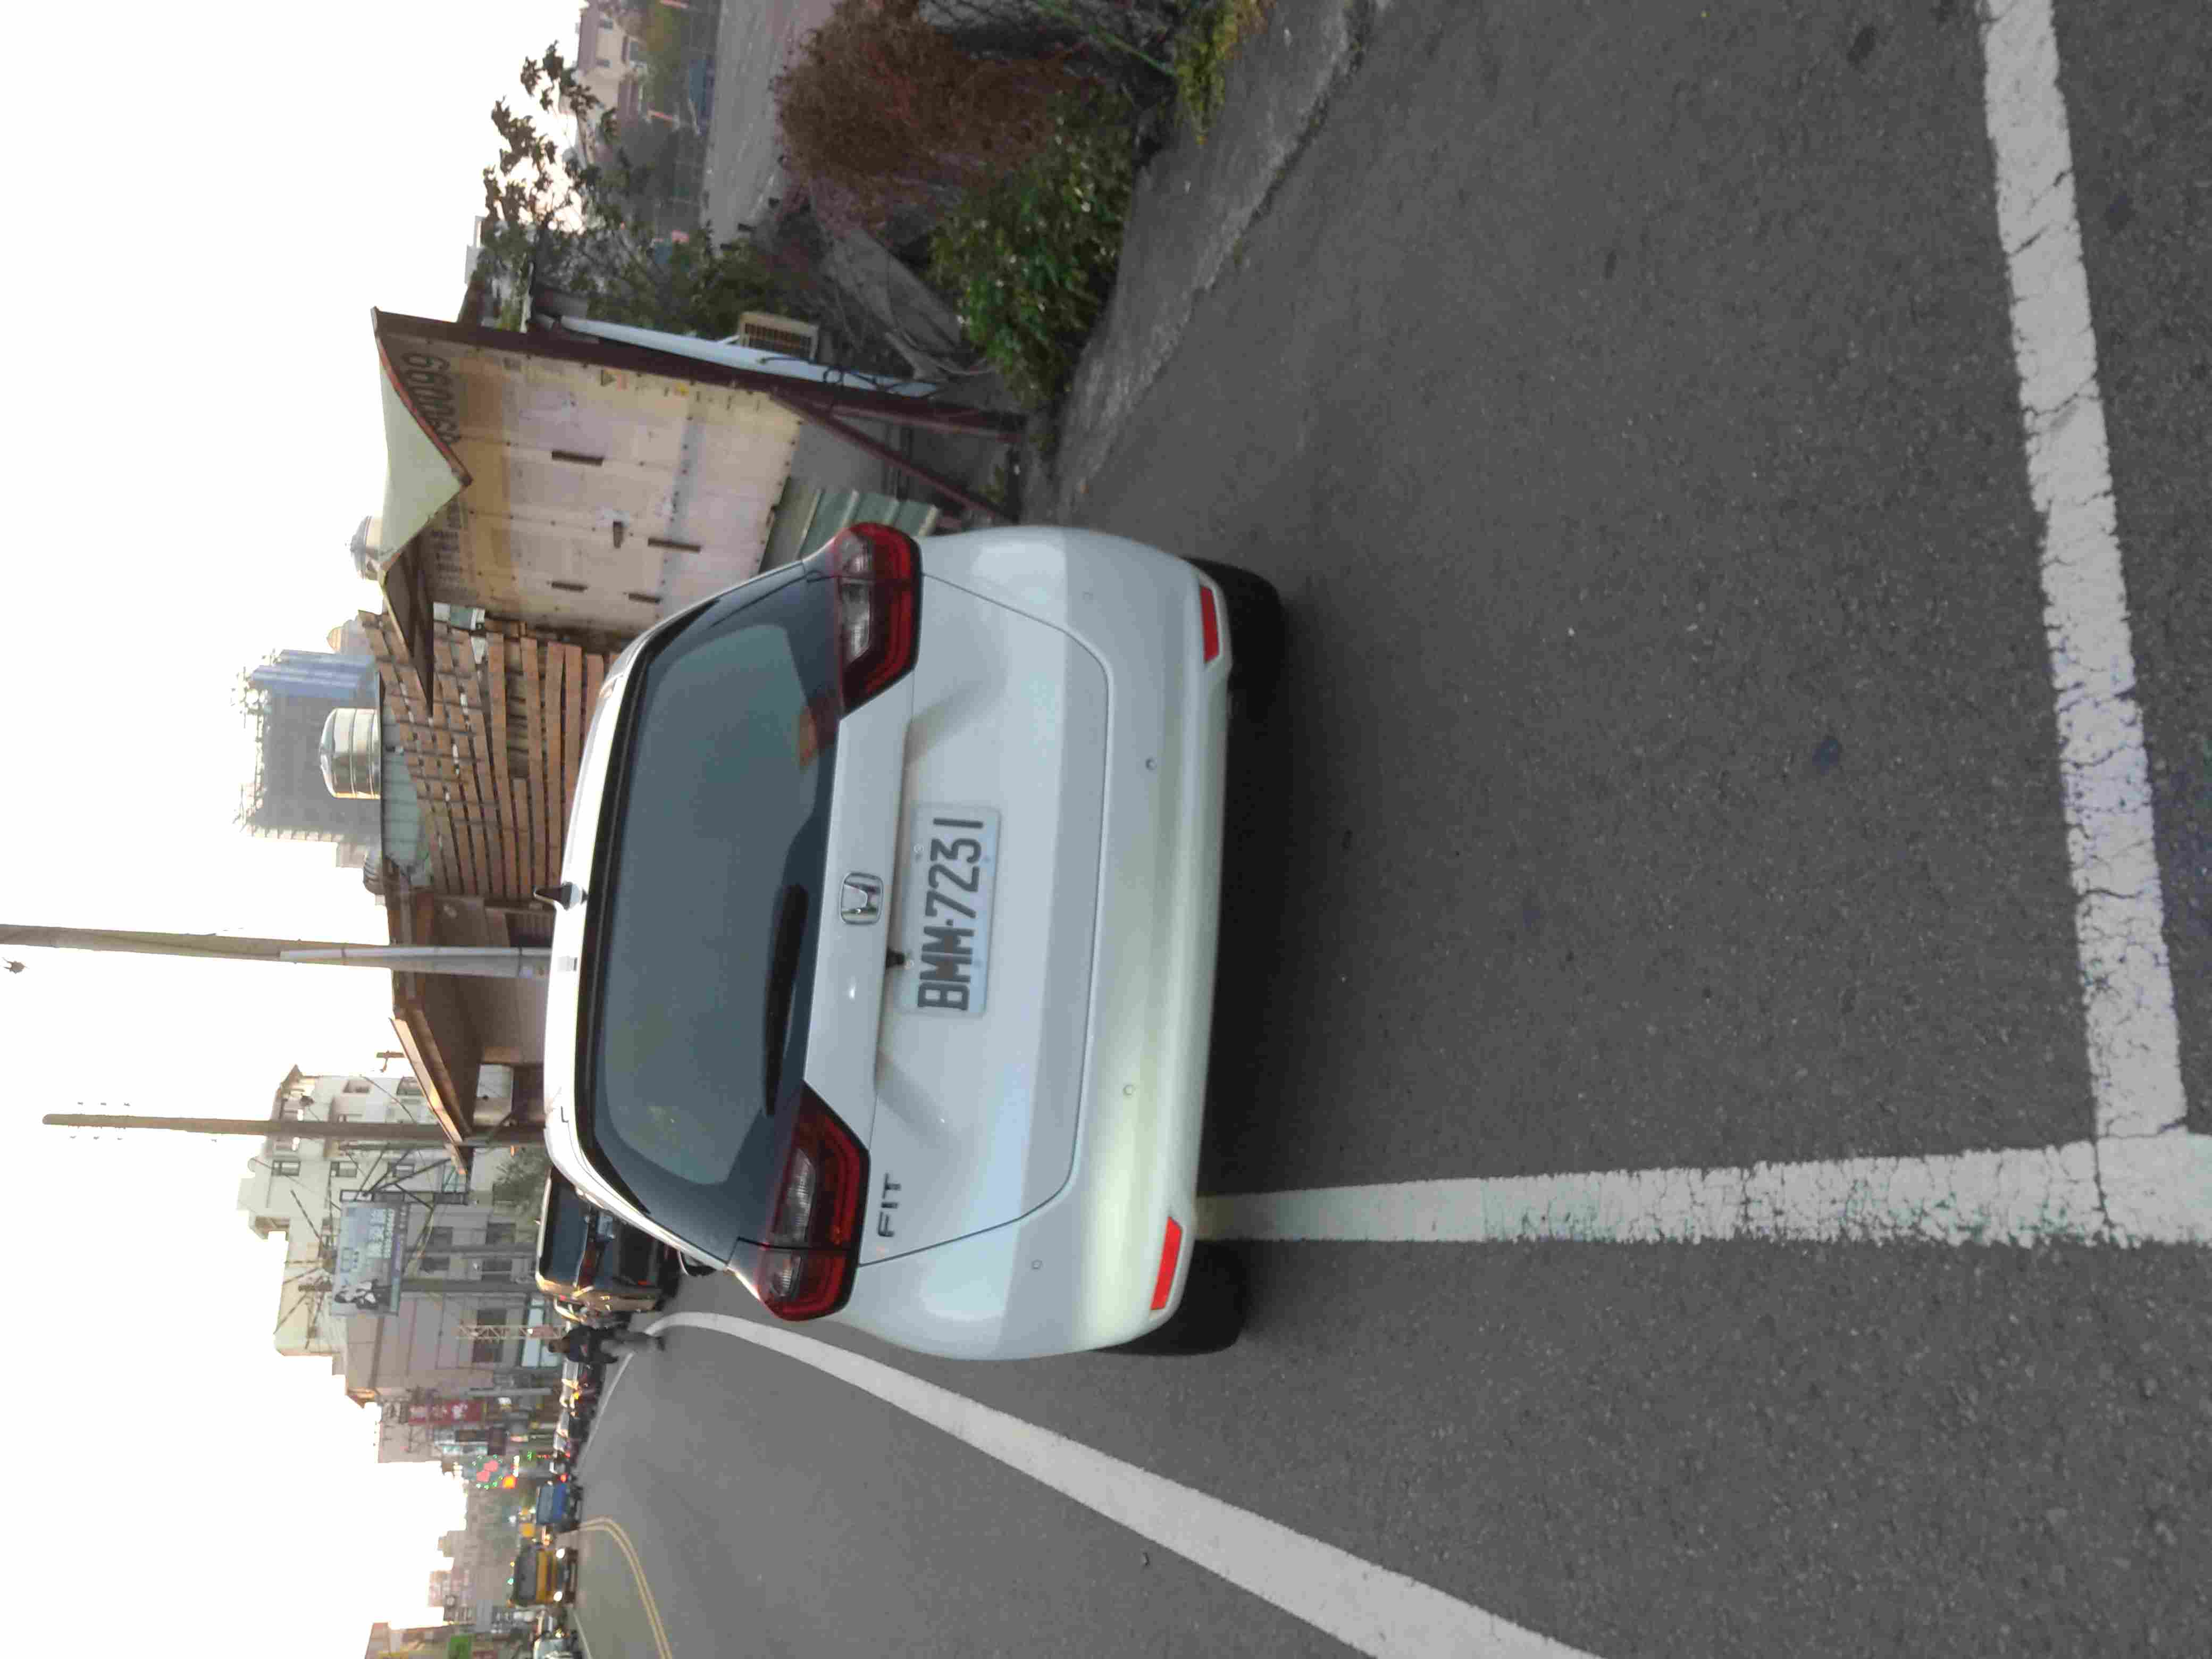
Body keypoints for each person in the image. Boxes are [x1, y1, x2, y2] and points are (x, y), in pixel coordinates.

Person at [530, 1321, 663, 1362]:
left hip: (606, 1334)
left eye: (558, 1343)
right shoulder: (572, 1356)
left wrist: (587, 1341)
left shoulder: (572, 1334)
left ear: (558, 1340)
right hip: (604, 1350)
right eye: (558, 1348)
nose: (560, 1345)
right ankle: (653, 1345)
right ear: (559, 1351)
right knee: (630, 1349)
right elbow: (587, 1358)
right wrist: (588, 1345)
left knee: (631, 1336)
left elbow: (587, 1330)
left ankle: (651, 1339)